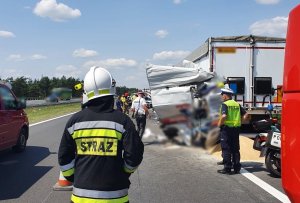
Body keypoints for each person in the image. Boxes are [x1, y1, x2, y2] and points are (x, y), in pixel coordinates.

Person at [58, 66, 144, 203]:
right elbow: (134, 155)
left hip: (80, 198)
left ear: (86, 92)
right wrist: (124, 173)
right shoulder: (123, 121)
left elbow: (64, 158)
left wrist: (76, 178)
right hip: (116, 197)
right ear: (112, 90)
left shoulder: (74, 122)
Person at [217, 87, 248, 174]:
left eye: (222, 95)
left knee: (226, 148)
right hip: (236, 129)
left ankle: (227, 168)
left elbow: (223, 116)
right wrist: (240, 121)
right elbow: (246, 114)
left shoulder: (225, 104)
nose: (222, 96)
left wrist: (219, 124)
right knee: (235, 149)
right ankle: (237, 167)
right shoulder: (236, 104)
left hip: (226, 129)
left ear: (226, 95)